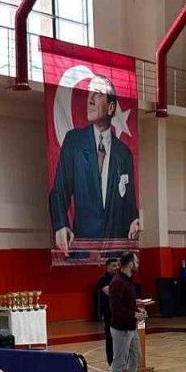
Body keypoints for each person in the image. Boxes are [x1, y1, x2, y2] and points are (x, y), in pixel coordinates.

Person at [48, 75, 139, 255]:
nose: (89, 100)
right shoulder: (74, 141)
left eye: (97, 94)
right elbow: (59, 191)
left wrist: (134, 221)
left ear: (111, 108)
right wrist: (60, 225)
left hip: (115, 253)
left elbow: (129, 203)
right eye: (89, 93)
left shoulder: (124, 154)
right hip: (83, 248)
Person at [108, 252, 147, 372]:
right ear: (130, 264)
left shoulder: (128, 280)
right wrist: (134, 314)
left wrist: (138, 310)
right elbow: (116, 309)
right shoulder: (117, 282)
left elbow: (128, 303)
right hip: (121, 328)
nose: (138, 264)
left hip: (131, 327)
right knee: (119, 362)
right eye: (136, 261)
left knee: (136, 356)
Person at [96, 258, 120, 364]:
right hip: (108, 312)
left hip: (120, 312)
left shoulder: (119, 278)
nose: (116, 268)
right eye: (114, 265)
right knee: (110, 337)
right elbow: (110, 292)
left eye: (117, 265)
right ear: (108, 267)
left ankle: (121, 360)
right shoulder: (103, 279)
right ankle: (111, 361)